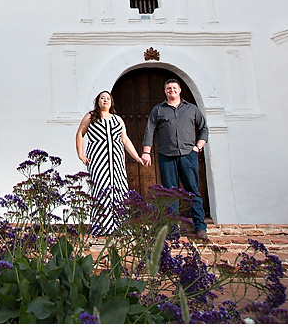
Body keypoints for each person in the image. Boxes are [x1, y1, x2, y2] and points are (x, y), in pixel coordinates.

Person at [141, 79, 209, 238]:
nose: (171, 90)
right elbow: (149, 131)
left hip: (188, 155)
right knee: (169, 193)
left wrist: (198, 147)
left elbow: (203, 129)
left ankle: (200, 227)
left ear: (180, 90)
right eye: (168, 88)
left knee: (192, 191)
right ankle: (171, 229)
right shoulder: (158, 110)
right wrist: (146, 152)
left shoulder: (192, 109)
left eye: (174, 88)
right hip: (166, 156)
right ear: (165, 91)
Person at [76, 90, 145, 235]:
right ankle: (101, 227)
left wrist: (137, 157)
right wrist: (80, 154)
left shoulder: (117, 119)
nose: (105, 100)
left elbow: (125, 140)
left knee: (119, 190)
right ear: (98, 101)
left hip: (116, 160)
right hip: (98, 160)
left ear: (111, 102)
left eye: (108, 98)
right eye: (102, 98)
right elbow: (80, 133)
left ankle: (120, 226)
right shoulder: (91, 116)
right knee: (101, 190)